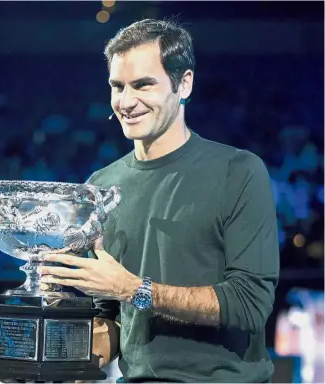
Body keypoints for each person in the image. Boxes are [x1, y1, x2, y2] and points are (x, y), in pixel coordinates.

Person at [39, 18, 280, 383]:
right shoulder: (100, 187)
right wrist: (52, 350)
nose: (126, 101)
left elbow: (250, 305)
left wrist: (133, 289)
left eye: (143, 85)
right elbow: (113, 320)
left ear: (184, 83)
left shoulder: (239, 171)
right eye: (117, 87)